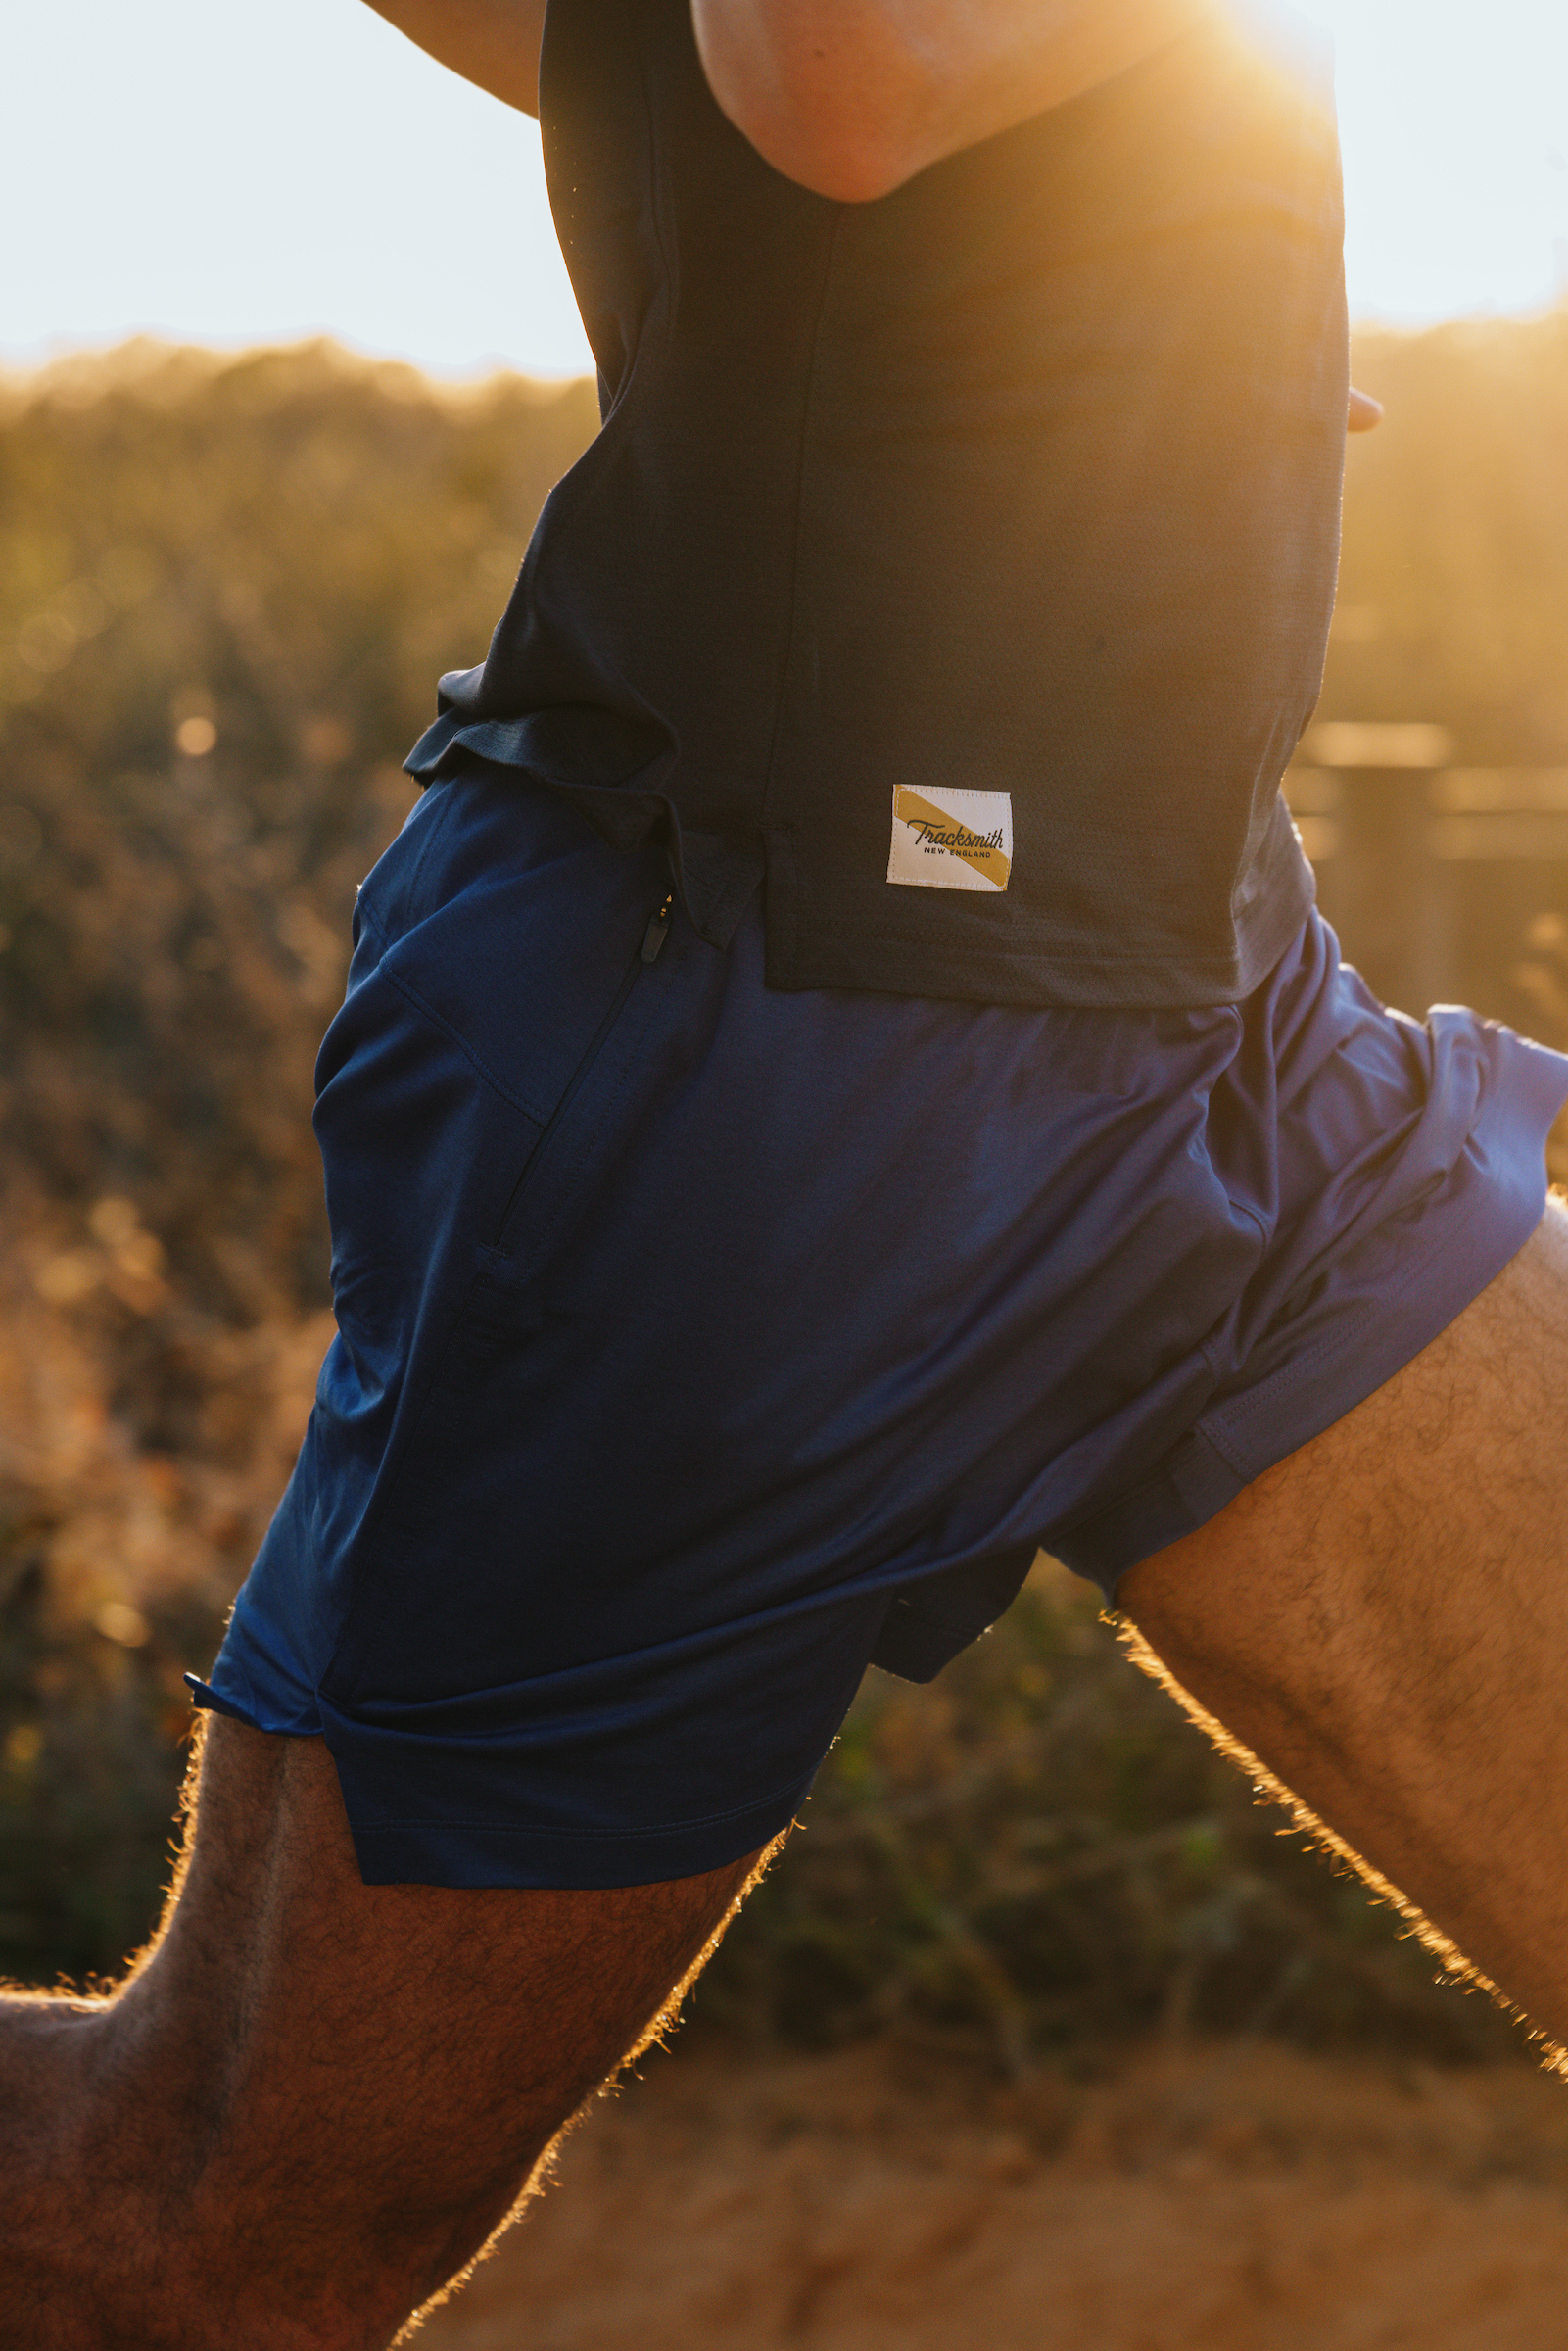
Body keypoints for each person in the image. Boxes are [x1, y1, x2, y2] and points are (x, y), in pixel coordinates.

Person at [8, 1, 1565, 2343]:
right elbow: (843, 65)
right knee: (205, 2222)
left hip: (1194, 980)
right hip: (772, 1039)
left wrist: (1157, 279)